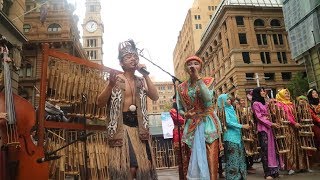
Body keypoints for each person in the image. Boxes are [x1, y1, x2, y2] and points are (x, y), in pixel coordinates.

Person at [97, 39, 159, 180]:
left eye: (135, 57)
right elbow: (100, 103)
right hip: (122, 127)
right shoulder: (115, 79)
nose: (133, 59)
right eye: (128, 57)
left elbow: (154, 96)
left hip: (139, 128)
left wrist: (145, 74)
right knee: (131, 166)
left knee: (144, 167)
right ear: (121, 62)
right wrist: (110, 85)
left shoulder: (141, 81)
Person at [176, 55, 221, 179]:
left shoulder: (209, 81)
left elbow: (207, 99)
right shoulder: (181, 87)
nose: (193, 66)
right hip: (191, 126)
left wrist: (198, 79)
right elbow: (179, 108)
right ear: (186, 68)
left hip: (208, 123)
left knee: (211, 160)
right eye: (190, 64)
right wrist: (185, 114)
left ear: (201, 66)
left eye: (196, 63)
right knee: (192, 159)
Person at [276, 88, 308, 174]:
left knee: (297, 145)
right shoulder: (279, 104)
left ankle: (300, 166)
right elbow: (285, 115)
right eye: (285, 93)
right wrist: (294, 123)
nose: (287, 95)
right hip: (286, 128)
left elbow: (296, 113)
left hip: (295, 128)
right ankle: (289, 167)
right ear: (281, 94)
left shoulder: (291, 103)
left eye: (288, 93)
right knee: (288, 146)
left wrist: (301, 106)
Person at [251, 87, 280, 179]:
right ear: (257, 93)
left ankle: (274, 171)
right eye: (261, 91)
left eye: (264, 91)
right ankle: (267, 173)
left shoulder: (265, 102)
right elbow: (259, 117)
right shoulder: (255, 104)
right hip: (263, 129)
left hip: (270, 128)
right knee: (265, 151)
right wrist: (271, 123)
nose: (263, 92)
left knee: (272, 149)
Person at [217, 94, 249, 180]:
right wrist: (242, 126)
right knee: (232, 159)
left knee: (240, 157)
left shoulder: (231, 109)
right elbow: (228, 122)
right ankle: (233, 177)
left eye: (229, 99)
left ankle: (241, 176)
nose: (229, 100)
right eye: (226, 99)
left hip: (238, 137)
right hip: (230, 138)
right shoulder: (223, 111)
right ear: (222, 101)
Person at [169, 95, 190, 180]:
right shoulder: (173, 110)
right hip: (178, 134)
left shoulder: (184, 109)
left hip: (186, 133)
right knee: (181, 158)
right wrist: (189, 118)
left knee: (188, 156)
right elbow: (180, 119)